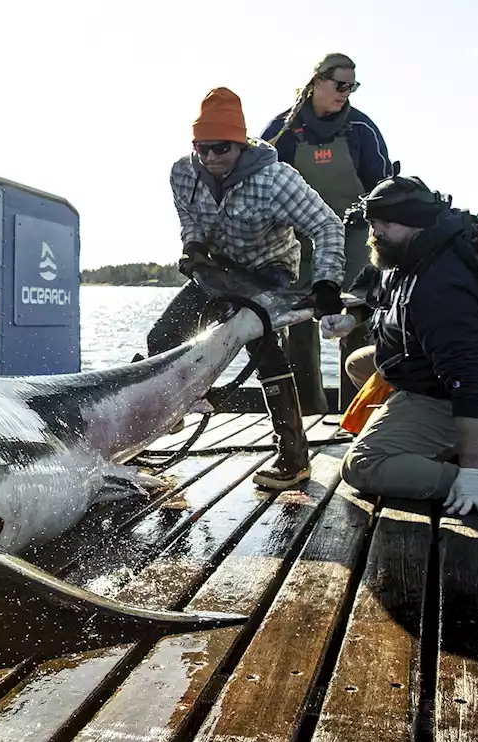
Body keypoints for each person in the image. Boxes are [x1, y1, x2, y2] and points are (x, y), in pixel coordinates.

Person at [144, 86, 347, 490]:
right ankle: (165, 417)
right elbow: (189, 219)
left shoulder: (276, 180)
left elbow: (327, 226)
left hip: (269, 269)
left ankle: (293, 459)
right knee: (162, 337)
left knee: (264, 350)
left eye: (221, 148)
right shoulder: (182, 173)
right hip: (217, 267)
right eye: (202, 148)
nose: (211, 158)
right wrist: (194, 246)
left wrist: (326, 283)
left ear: (240, 144)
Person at [339, 175, 478, 517]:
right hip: (423, 368)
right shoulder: (409, 250)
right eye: (372, 223)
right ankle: (431, 446)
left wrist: (471, 474)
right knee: (359, 364)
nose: (375, 233)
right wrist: (352, 319)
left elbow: (468, 381)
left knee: (362, 465)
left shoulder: (441, 286)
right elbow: (379, 291)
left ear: (416, 224)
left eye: (386, 224)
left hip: (460, 392)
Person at [261, 53, 395, 416]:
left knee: (355, 322)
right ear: (316, 81)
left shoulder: (362, 129)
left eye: (352, 86)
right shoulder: (282, 131)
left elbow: (383, 189)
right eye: (340, 84)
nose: (346, 92)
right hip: (297, 239)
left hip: (354, 237)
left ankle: (358, 415)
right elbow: (260, 185)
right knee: (300, 327)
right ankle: (309, 413)